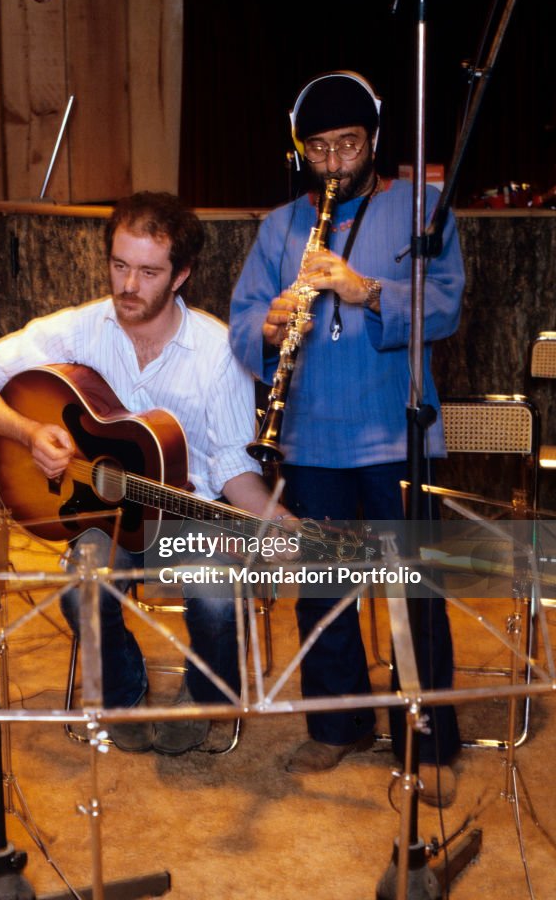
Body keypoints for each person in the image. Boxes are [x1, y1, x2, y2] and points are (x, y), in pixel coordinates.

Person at [0, 191, 292, 755]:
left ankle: (207, 697)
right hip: (101, 513)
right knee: (81, 583)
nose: (128, 286)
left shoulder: (215, 351)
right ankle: (123, 692)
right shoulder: (79, 328)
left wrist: (274, 518)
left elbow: (233, 466)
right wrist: (28, 432)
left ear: (180, 274)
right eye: (119, 265)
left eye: (148, 271)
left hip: (192, 515)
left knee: (214, 596)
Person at [229, 71, 465, 806]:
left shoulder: (422, 208)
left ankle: (427, 739)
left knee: (414, 593)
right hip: (309, 437)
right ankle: (337, 727)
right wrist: (269, 325)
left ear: (374, 141)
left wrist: (362, 290)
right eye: (319, 149)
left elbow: (450, 305)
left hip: (396, 433)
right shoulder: (279, 226)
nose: (333, 162)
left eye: (348, 145)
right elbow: (241, 325)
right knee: (323, 593)